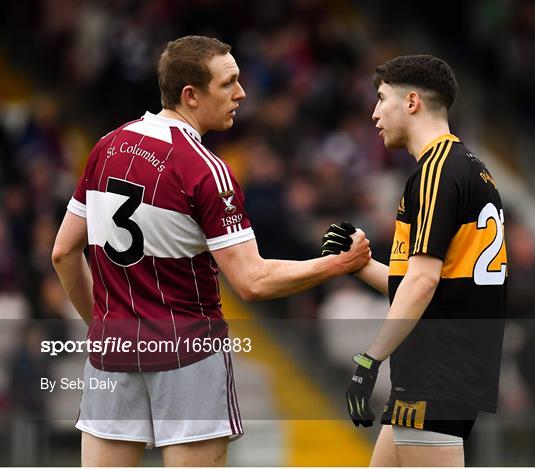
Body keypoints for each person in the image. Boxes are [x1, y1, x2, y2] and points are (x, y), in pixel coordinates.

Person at [51, 35, 370, 467]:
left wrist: (102, 327)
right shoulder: (204, 168)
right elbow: (252, 282)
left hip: (113, 354)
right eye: (229, 83)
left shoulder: (106, 147)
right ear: (191, 95)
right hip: (188, 357)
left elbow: (63, 253)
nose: (241, 94)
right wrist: (338, 264)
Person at [322, 55, 507, 467]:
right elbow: (423, 283)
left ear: (411, 103)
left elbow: (422, 284)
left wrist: (371, 358)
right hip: (442, 367)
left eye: (381, 98)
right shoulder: (469, 168)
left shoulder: (436, 173)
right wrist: (358, 263)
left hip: (437, 366)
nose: (374, 113)